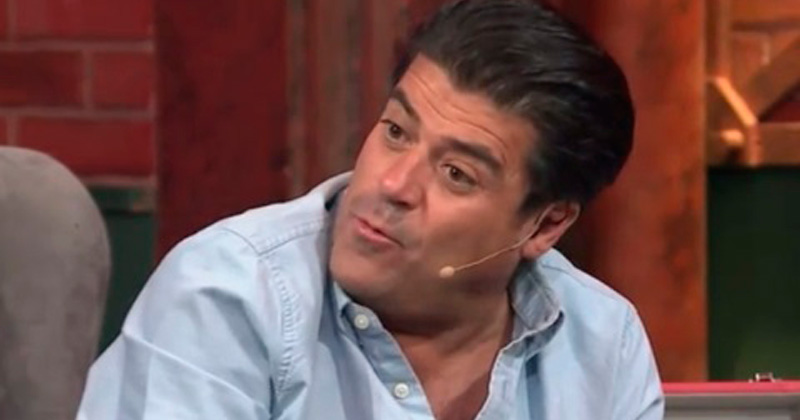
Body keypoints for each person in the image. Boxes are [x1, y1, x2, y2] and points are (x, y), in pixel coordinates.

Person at [77, 0, 664, 419]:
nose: (392, 183)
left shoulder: (603, 342)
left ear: (545, 224)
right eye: (396, 131)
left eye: (456, 174)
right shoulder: (226, 295)